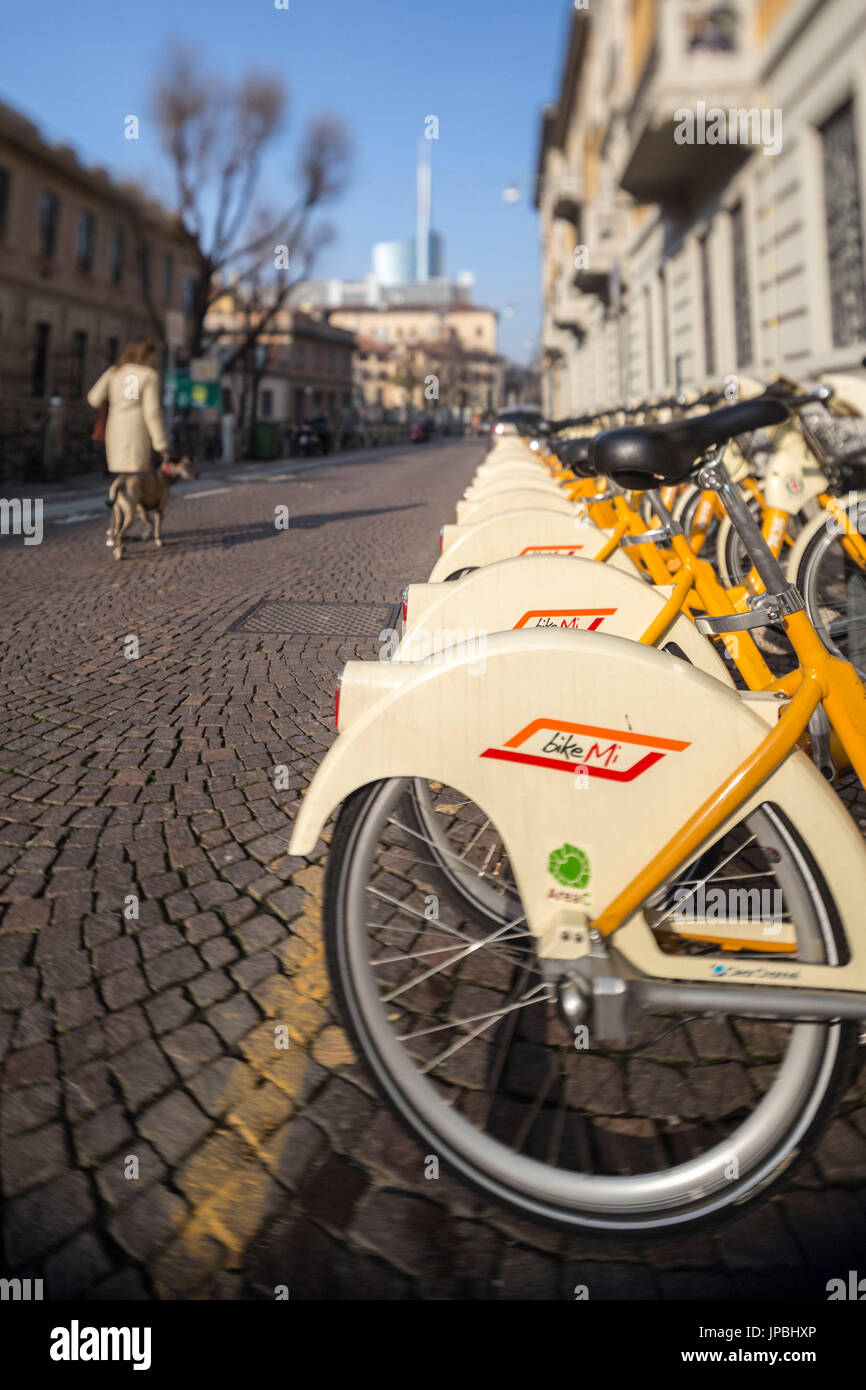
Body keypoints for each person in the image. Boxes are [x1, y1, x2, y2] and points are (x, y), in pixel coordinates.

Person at [87, 338, 170, 546]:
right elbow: (151, 413)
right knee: (132, 482)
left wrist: (115, 399)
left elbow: (93, 398)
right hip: (136, 430)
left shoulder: (114, 372)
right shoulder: (149, 375)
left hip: (115, 429)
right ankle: (116, 531)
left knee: (122, 479)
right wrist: (161, 443)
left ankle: (114, 530)